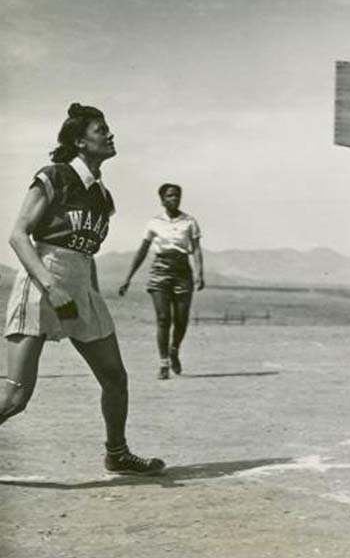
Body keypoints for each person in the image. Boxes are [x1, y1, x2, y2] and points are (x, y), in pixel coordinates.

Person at [2, 103, 165, 475]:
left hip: (81, 284)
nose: (109, 135)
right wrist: (50, 286)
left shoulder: (102, 196)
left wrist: (89, 299)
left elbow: (86, 254)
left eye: (108, 129)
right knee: (15, 396)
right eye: (100, 130)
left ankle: (117, 454)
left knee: (115, 378)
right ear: (79, 141)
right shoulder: (54, 175)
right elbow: (17, 235)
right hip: (43, 280)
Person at [118, 184, 205, 379]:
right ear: (162, 200)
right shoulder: (153, 222)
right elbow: (142, 250)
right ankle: (163, 363)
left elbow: (197, 249)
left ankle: (174, 349)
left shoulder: (190, 221)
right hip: (160, 270)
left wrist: (200, 273)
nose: (174, 199)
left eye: (177, 196)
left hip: (183, 270)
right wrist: (128, 278)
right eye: (170, 196)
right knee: (164, 318)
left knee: (181, 319)